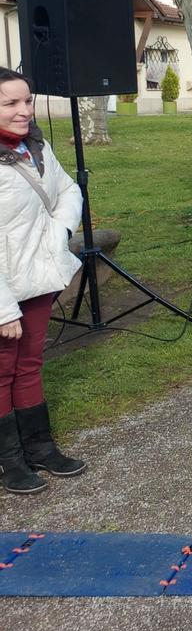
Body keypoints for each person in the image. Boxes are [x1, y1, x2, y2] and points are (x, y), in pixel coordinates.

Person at [0, 68, 87, 494]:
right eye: (10, 103)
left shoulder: (35, 145)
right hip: (4, 289)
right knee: (2, 371)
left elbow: (69, 190)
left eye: (27, 100)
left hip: (35, 276)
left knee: (30, 364)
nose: (23, 111)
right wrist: (2, 308)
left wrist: (57, 233)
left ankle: (39, 447)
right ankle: (9, 461)